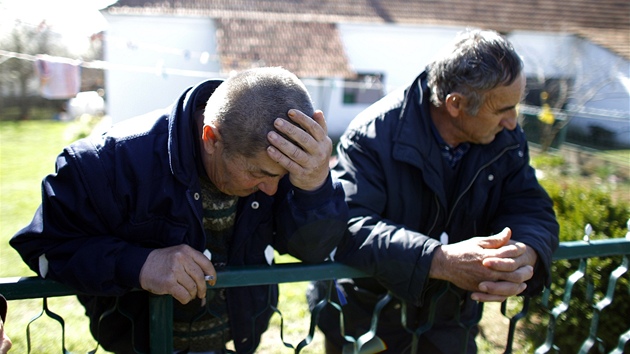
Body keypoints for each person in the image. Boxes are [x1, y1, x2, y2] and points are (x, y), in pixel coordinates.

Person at [10, 67, 348, 353]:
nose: (272, 188)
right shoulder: (104, 163)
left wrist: (313, 187)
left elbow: (313, 249)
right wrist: (139, 264)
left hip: (239, 340)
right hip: (142, 345)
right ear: (211, 138)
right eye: (258, 174)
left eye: (281, 177)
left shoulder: (282, 156)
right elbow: (45, 247)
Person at [307, 29, 559, 353]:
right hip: (367, 318)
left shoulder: (506, 138)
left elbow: (529, 204)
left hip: (450, 321)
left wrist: (526, 251)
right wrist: (439, 261)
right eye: (502, 110)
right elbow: (348, 225)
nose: (513, 122)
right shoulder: (371, 135)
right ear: (456, 104)